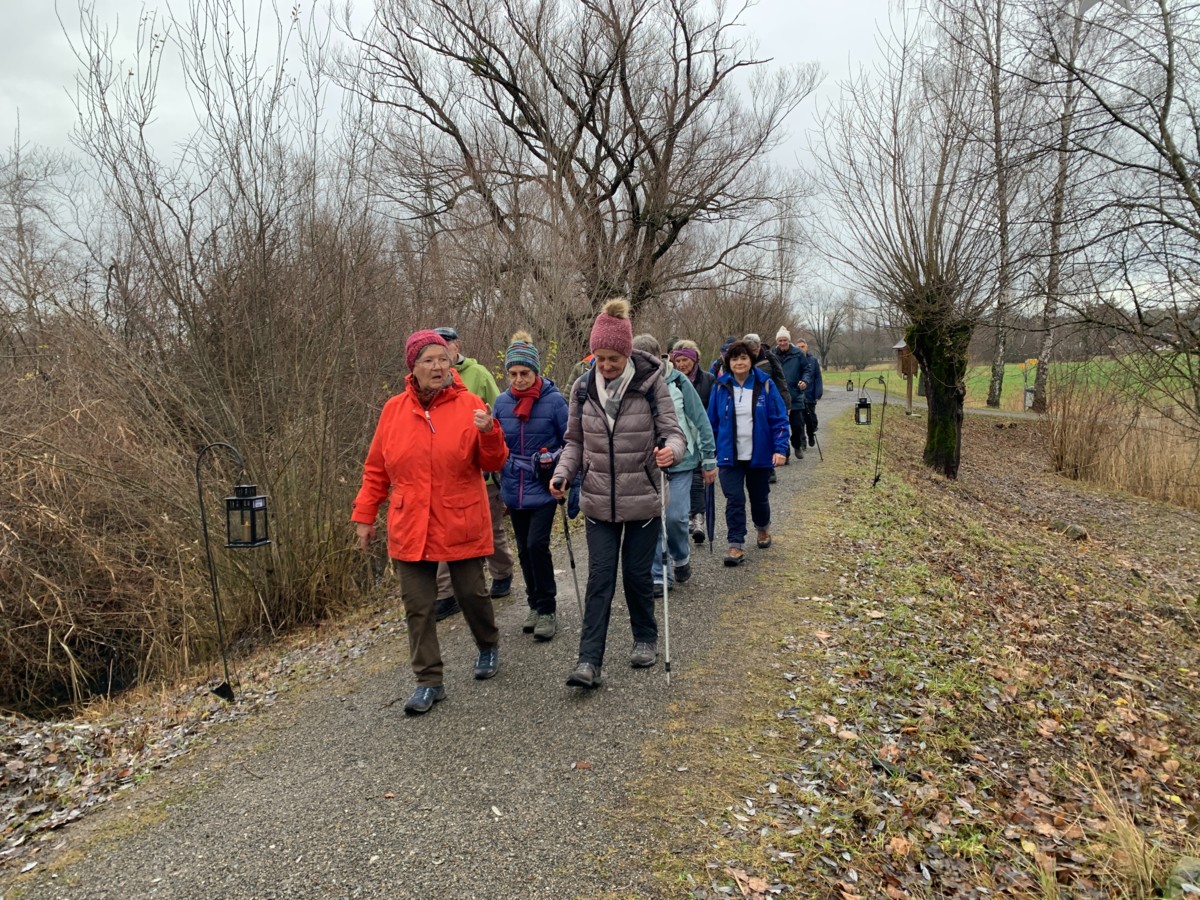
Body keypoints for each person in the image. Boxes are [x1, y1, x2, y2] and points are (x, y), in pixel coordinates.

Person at [352, 330, 509, 715]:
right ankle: (428, 680)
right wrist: (365, 516)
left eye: (443, 359)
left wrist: (489, 432)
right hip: (411, 521)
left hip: (460, 515)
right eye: (429, 360)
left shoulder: (470, 403)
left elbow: (493, 462)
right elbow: (376, 470)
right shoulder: (393, 410)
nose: (438, 366)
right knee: (418, 605)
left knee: (471, 593)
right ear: (413, 367)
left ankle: (488, 644)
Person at [549, 299, 685, 689]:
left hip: (642, 497)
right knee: (600, 578)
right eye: (600, 357)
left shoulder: (651, 384)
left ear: (627, 354)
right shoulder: (581, 389)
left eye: (613, 358)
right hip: (597, 499)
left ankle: (645, 638)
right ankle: (589, 661)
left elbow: (674, 434)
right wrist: (562, 473)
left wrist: (671, 452)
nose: (606, 365)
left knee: (636, 576)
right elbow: (574, 442)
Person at [431, 326, 515, 619]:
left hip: (483, 473)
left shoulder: (479, 375)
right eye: (435, 350)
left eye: (446, 347)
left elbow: (500, 413)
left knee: (490, 528)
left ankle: (502, 572)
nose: (441, 356)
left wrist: (495, 445)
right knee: (442, 535)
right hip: (445, 477)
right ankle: (446, 594)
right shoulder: (429, 383)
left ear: (457, 347)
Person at [492, 331, 569, 642]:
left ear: (536, 371)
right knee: (523, 549)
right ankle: (534, 604)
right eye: (513, 374)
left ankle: (548, 608)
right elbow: (495, 444)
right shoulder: (501, 403)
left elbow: (571, 441)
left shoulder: (554, 401)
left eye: (524, 373)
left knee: (537, 545)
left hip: (543, 486)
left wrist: (558, 465)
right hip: (513, 487)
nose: (519, 379)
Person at [633, 335, 717, 597]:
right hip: (647, 466)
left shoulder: (678, 381)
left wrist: (709, 458)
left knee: (675, 518)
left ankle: (681, 557)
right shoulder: (629, 383)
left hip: (681, 462)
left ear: (658, 358)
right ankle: (660, 574)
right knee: (652, 519)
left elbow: (700, 420)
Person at [707, 340, 789, 567]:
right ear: (728, 363)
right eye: (734, 359)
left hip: (759, 454)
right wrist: (709, 452)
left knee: (759, 497)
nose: (739, 362)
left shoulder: (765, 384)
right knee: (734, 499)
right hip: (728, 455)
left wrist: (780, 449)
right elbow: (711, 423)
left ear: (751, 360)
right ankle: (735, 543)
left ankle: (763, 528)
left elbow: (779, 419)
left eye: (743, 358)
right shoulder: (720, 386)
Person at [668, 339, 716, 543]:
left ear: (694, 359)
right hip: (682, 439)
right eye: (677, 360)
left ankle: (698, 518)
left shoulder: (709, 380)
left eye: (685, 360)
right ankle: (688, 516)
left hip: (702, 435)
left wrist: (710, 443)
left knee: (697, 479)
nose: (681, 364)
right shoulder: (670, 382)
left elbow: (712, 410)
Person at [774, 327, 810, 463]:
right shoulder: (772, 354)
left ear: (789, 341)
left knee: (797, 425)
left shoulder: (798, 353)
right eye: (780, 340)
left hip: (795, 394)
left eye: (785, 340)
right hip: (779, 396)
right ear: (777, 342)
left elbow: (806, 369)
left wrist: (804, 381)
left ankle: (797, 444)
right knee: (781, 426)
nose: (782, 343)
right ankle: (785, 453)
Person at [796, 338, 824, 447]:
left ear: (806, 347)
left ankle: (811, 434)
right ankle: (802, 441)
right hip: (798, 395)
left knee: (810, 418)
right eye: (798, 347)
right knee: (800, 420)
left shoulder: (813, 360)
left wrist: (818, 393)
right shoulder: (794, 360)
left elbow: (818, 377)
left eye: (802, 347)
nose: (801, 349)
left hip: (810, 394)